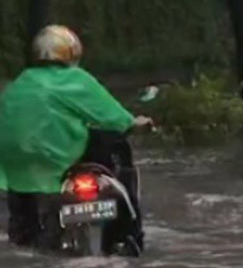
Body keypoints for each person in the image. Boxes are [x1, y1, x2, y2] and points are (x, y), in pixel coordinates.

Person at [0, 25, 153, 250]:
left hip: (14, 165)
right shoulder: (74, 79)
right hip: (58, 157)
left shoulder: (20, 83)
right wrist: (134, 123)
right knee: (116, 145)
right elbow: (112, 115)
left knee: (23, 226)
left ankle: (25, 237)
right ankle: (131, 231)